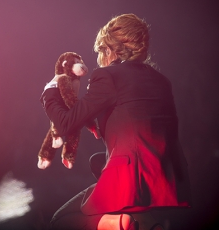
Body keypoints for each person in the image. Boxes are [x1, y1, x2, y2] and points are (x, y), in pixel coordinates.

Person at [40, 13, 191, 230]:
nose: (101, 57)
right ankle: (147, 224)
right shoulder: (162, 81)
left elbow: (65, 123)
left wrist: (50, 91)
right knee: (97, 161)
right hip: (165, 179)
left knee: (61, 220)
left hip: (131, 179)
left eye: (102, 50)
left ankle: (119, 223)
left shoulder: (108, 76)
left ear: (111, 49)